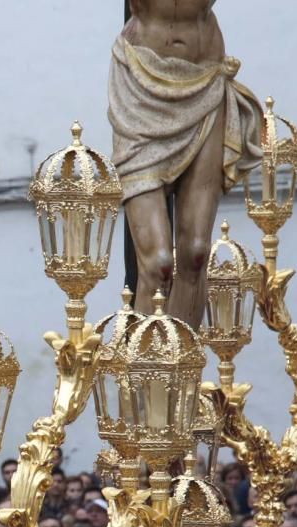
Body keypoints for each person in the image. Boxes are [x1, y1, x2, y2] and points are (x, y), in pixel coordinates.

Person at [108, 0, 262, 325]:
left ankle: (185, 369)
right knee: (158, 263)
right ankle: (147, 371)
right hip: (142, 85)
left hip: (205, 82)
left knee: (195, 253)